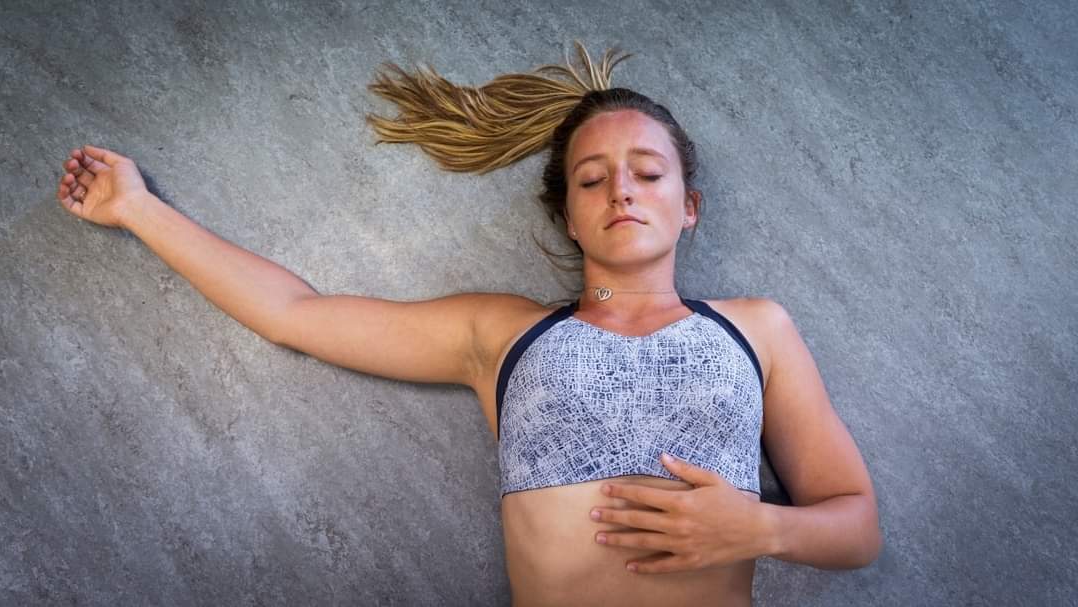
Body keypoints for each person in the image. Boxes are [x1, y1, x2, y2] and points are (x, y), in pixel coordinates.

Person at [55, 41, 881, 607]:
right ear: (568, 217)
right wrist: (137, 209)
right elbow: (295, 314)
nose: (621, 191)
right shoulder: (502, 332)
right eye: (592, 180)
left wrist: (763, 525)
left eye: (648, 173)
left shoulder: (757, 329)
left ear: (689, 206)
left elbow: (856, 524)